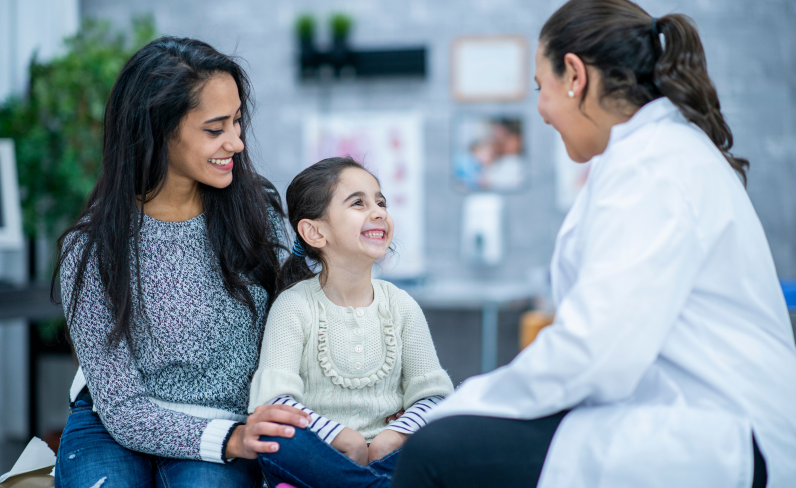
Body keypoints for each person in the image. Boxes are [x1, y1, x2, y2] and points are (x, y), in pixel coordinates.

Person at [392, 1, 796, 487]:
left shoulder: (652, 165)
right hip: (701, 417)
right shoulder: (654, 153)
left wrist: (461, 403)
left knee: (435, 452)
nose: (541, 111)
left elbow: (597, 354)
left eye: (540, 88)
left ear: (575, 75)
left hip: (722, 434)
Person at [53, 37, 310, 487]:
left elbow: (298, 325)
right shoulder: (93, 246)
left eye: (237, 121)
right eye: (215, 129)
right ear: (158, 130)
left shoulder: (257, 213)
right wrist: (231, 441)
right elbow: (123, 408)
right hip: (114, 424)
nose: (237, 142)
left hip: (227, 417)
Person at [248, 157, 454, 488]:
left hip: (389, 456)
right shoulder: (293, 306)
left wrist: (393, 436)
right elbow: (275, 402)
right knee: (275, 436)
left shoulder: (401, 305)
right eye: (358, 203)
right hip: (321, 456)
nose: (379, 212)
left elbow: (434, 397)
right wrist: (343, 437)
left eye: (381, 202)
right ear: (315, 232)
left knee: (452, 428)